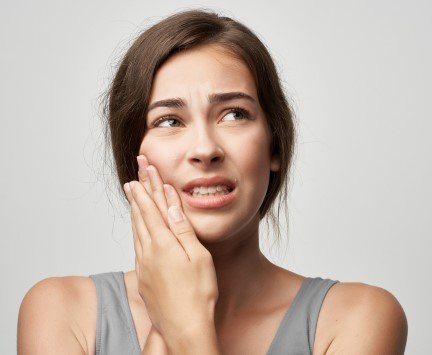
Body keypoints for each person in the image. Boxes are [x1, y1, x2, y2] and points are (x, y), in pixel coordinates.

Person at [17, 9, 407, 355]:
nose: (205, 149)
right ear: (133, 157)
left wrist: (185, 327)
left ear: (274, 145)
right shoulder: (61, 311)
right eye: (169, 121)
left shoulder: (357, 318)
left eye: (235, 114)